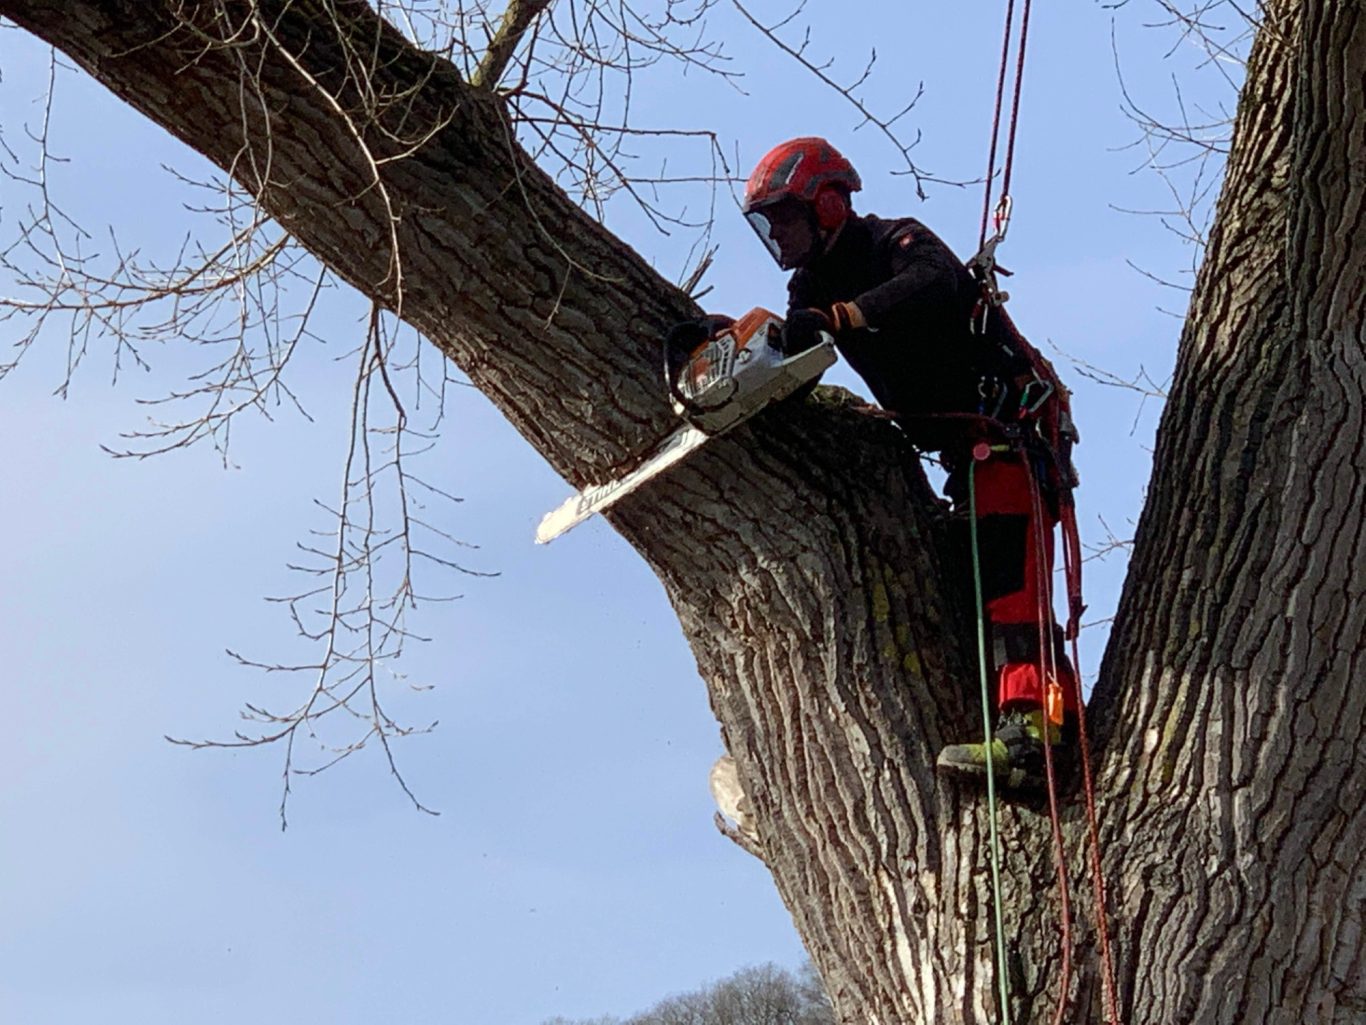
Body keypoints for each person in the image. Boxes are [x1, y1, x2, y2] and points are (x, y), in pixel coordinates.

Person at [738, 136, 1081, 789]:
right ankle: (1023, 717)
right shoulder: (809, 284)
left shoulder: (898, 242)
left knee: (1009, 578)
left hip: (1009, 425)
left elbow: (932, 284)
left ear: (829, 203)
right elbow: (804, 356)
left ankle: (1037, 733)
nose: (779, 235)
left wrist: (842, 317)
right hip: (962, 455)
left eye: (786, 217)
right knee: (972, 581)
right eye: (770, 224)